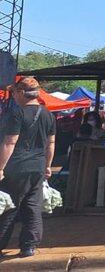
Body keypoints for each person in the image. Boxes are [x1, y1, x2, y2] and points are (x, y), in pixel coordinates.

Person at [0, 77, 55, 258]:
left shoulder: (17, 114)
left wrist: (0, 168)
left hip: (17, 167)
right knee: (32, 207)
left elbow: (10, 142)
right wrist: (47, 166)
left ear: (22, 93)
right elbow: (51, 143)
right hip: (37, 167)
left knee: (9, 207)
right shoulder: (48, 114)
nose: (13, 96)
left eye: (14, 92)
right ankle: (29, 246)